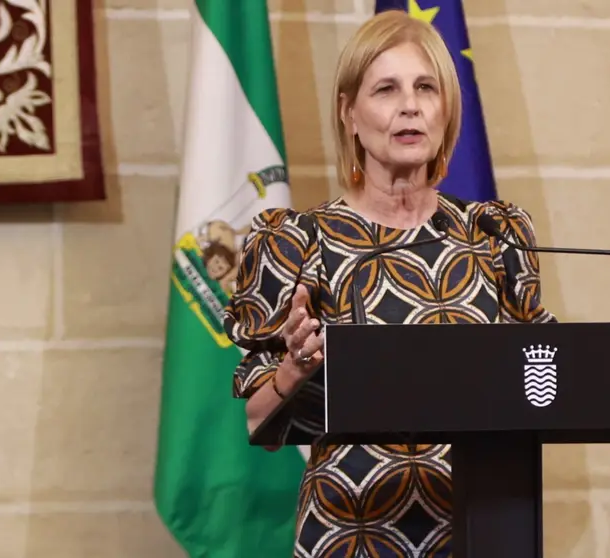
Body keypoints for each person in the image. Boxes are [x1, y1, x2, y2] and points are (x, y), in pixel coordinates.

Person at [222, 10, 556, 558]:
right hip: (354, 528)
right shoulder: (296, 242)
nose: (410, 105)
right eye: (386, 89)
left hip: (482, 526)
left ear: (447, 110)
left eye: (426, 87)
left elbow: (541, 375)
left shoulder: (495, 234)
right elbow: (257, 422)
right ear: (349, 113)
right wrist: (294, 369)